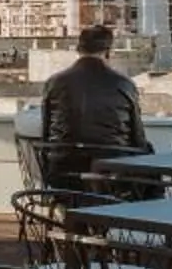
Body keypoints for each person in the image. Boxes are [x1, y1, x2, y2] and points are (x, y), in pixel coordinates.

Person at [38, 23, 147, 187]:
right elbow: (138, 137)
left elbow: (46, 132)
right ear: (108, 51)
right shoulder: (124, 84)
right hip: (112, 173)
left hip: (63, 171)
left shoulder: (54, 83)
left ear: (79, 49)